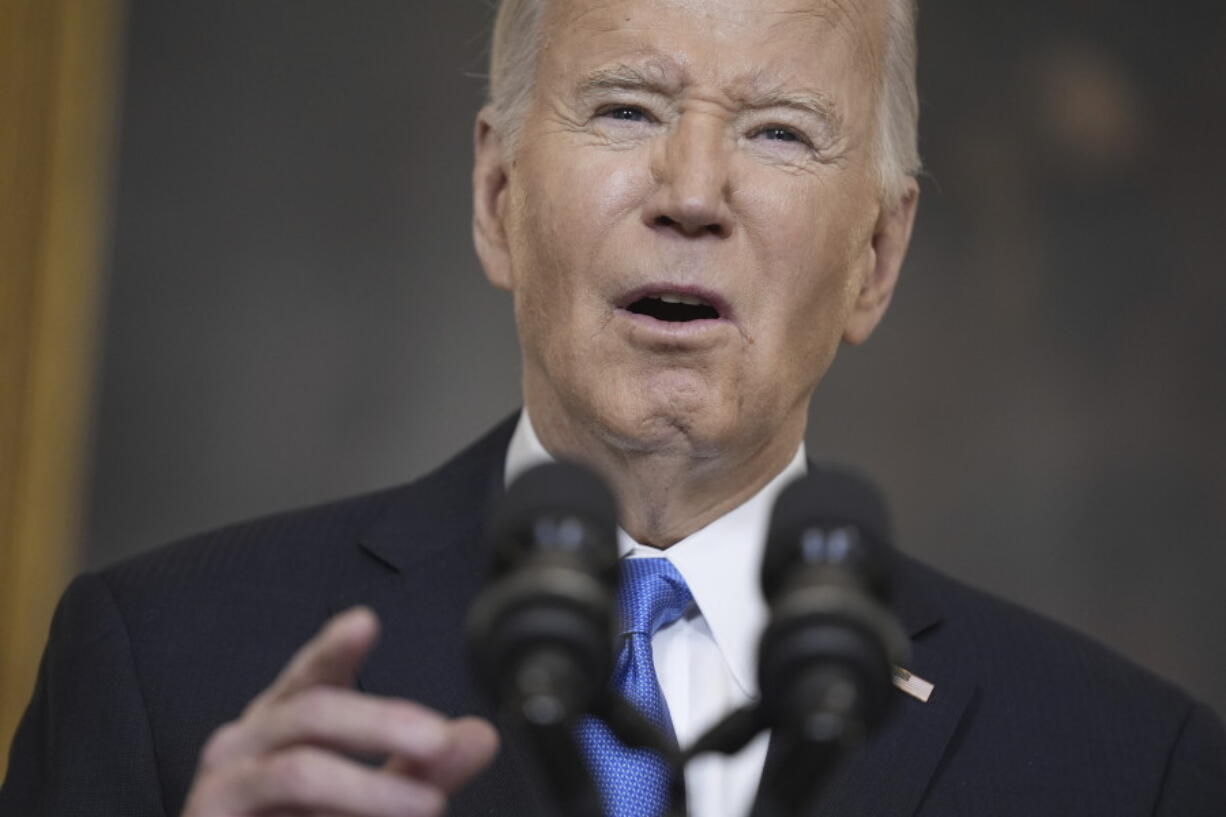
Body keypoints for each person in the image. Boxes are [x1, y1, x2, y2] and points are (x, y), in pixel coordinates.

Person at [2, 0, 1224, 815]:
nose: (691, 193)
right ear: (495, 196)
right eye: (627, 108)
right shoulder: (164, 668)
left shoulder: (1126, 766)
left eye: (779, 131)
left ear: (875, 258)